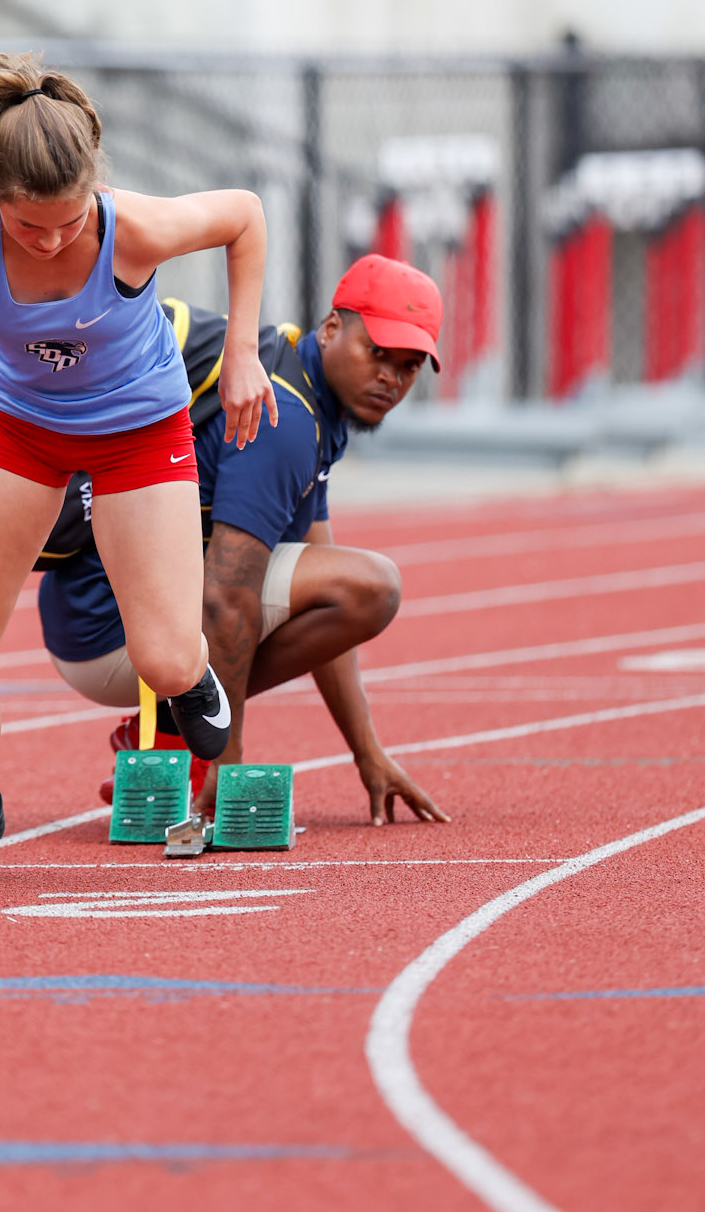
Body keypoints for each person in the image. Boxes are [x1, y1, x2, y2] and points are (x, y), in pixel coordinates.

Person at [0, 51, 276, 883]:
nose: (52, 239)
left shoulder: (131, 228)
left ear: (93, 188)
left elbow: (245, 216)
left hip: (140, 431)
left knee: (162, 663)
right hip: (21, 437)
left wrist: (241, 353)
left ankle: (191, 676)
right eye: (29, 226)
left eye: (66, 221)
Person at [37, 255, 450, 826]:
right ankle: (179, 725)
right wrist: (224, 765)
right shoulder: (286, 418)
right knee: (374, 586)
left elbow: (318, 576)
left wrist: (367, 752)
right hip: (111, 630)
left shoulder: (301, 389)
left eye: (408, 367)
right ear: (331, 328)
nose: (389, 378)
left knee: (351, 587)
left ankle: (173, 721)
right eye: (376, 352)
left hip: (104, 613)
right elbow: (226, 599)